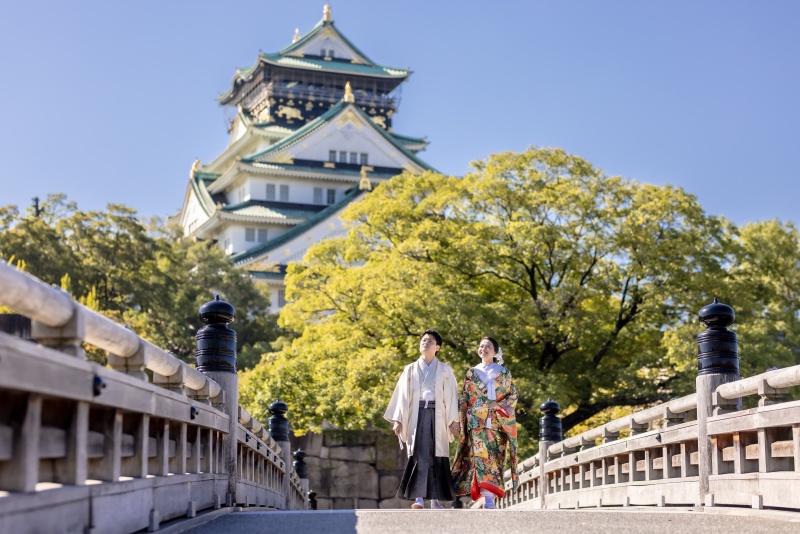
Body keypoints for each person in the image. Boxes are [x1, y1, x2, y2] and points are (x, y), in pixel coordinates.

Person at [384, 329, 460, 509]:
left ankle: (435, 500)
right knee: (419, 455)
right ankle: (418, 498)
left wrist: (453, 420)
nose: (426, 343)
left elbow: (451, 396)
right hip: (415, 416)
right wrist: (398, 420)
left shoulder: (445, 369)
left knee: (436, 456)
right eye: (423, 340)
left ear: (437, 347)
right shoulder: (410, 369)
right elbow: (402, 396)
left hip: (438, 416)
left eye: (430, 341)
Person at [451, 336, 518, 509]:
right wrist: (459, 419)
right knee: (480, 459)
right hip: (476, 422)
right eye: (481, 346)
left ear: (495, 351)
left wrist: (500, 405)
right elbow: (464, 398)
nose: (484, 349)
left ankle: (490, 497)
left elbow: (512, 395)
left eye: (488, 346)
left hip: (497, 422)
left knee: (494, 459)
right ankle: (487, 499)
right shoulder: (471, 373)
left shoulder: (504, 372)